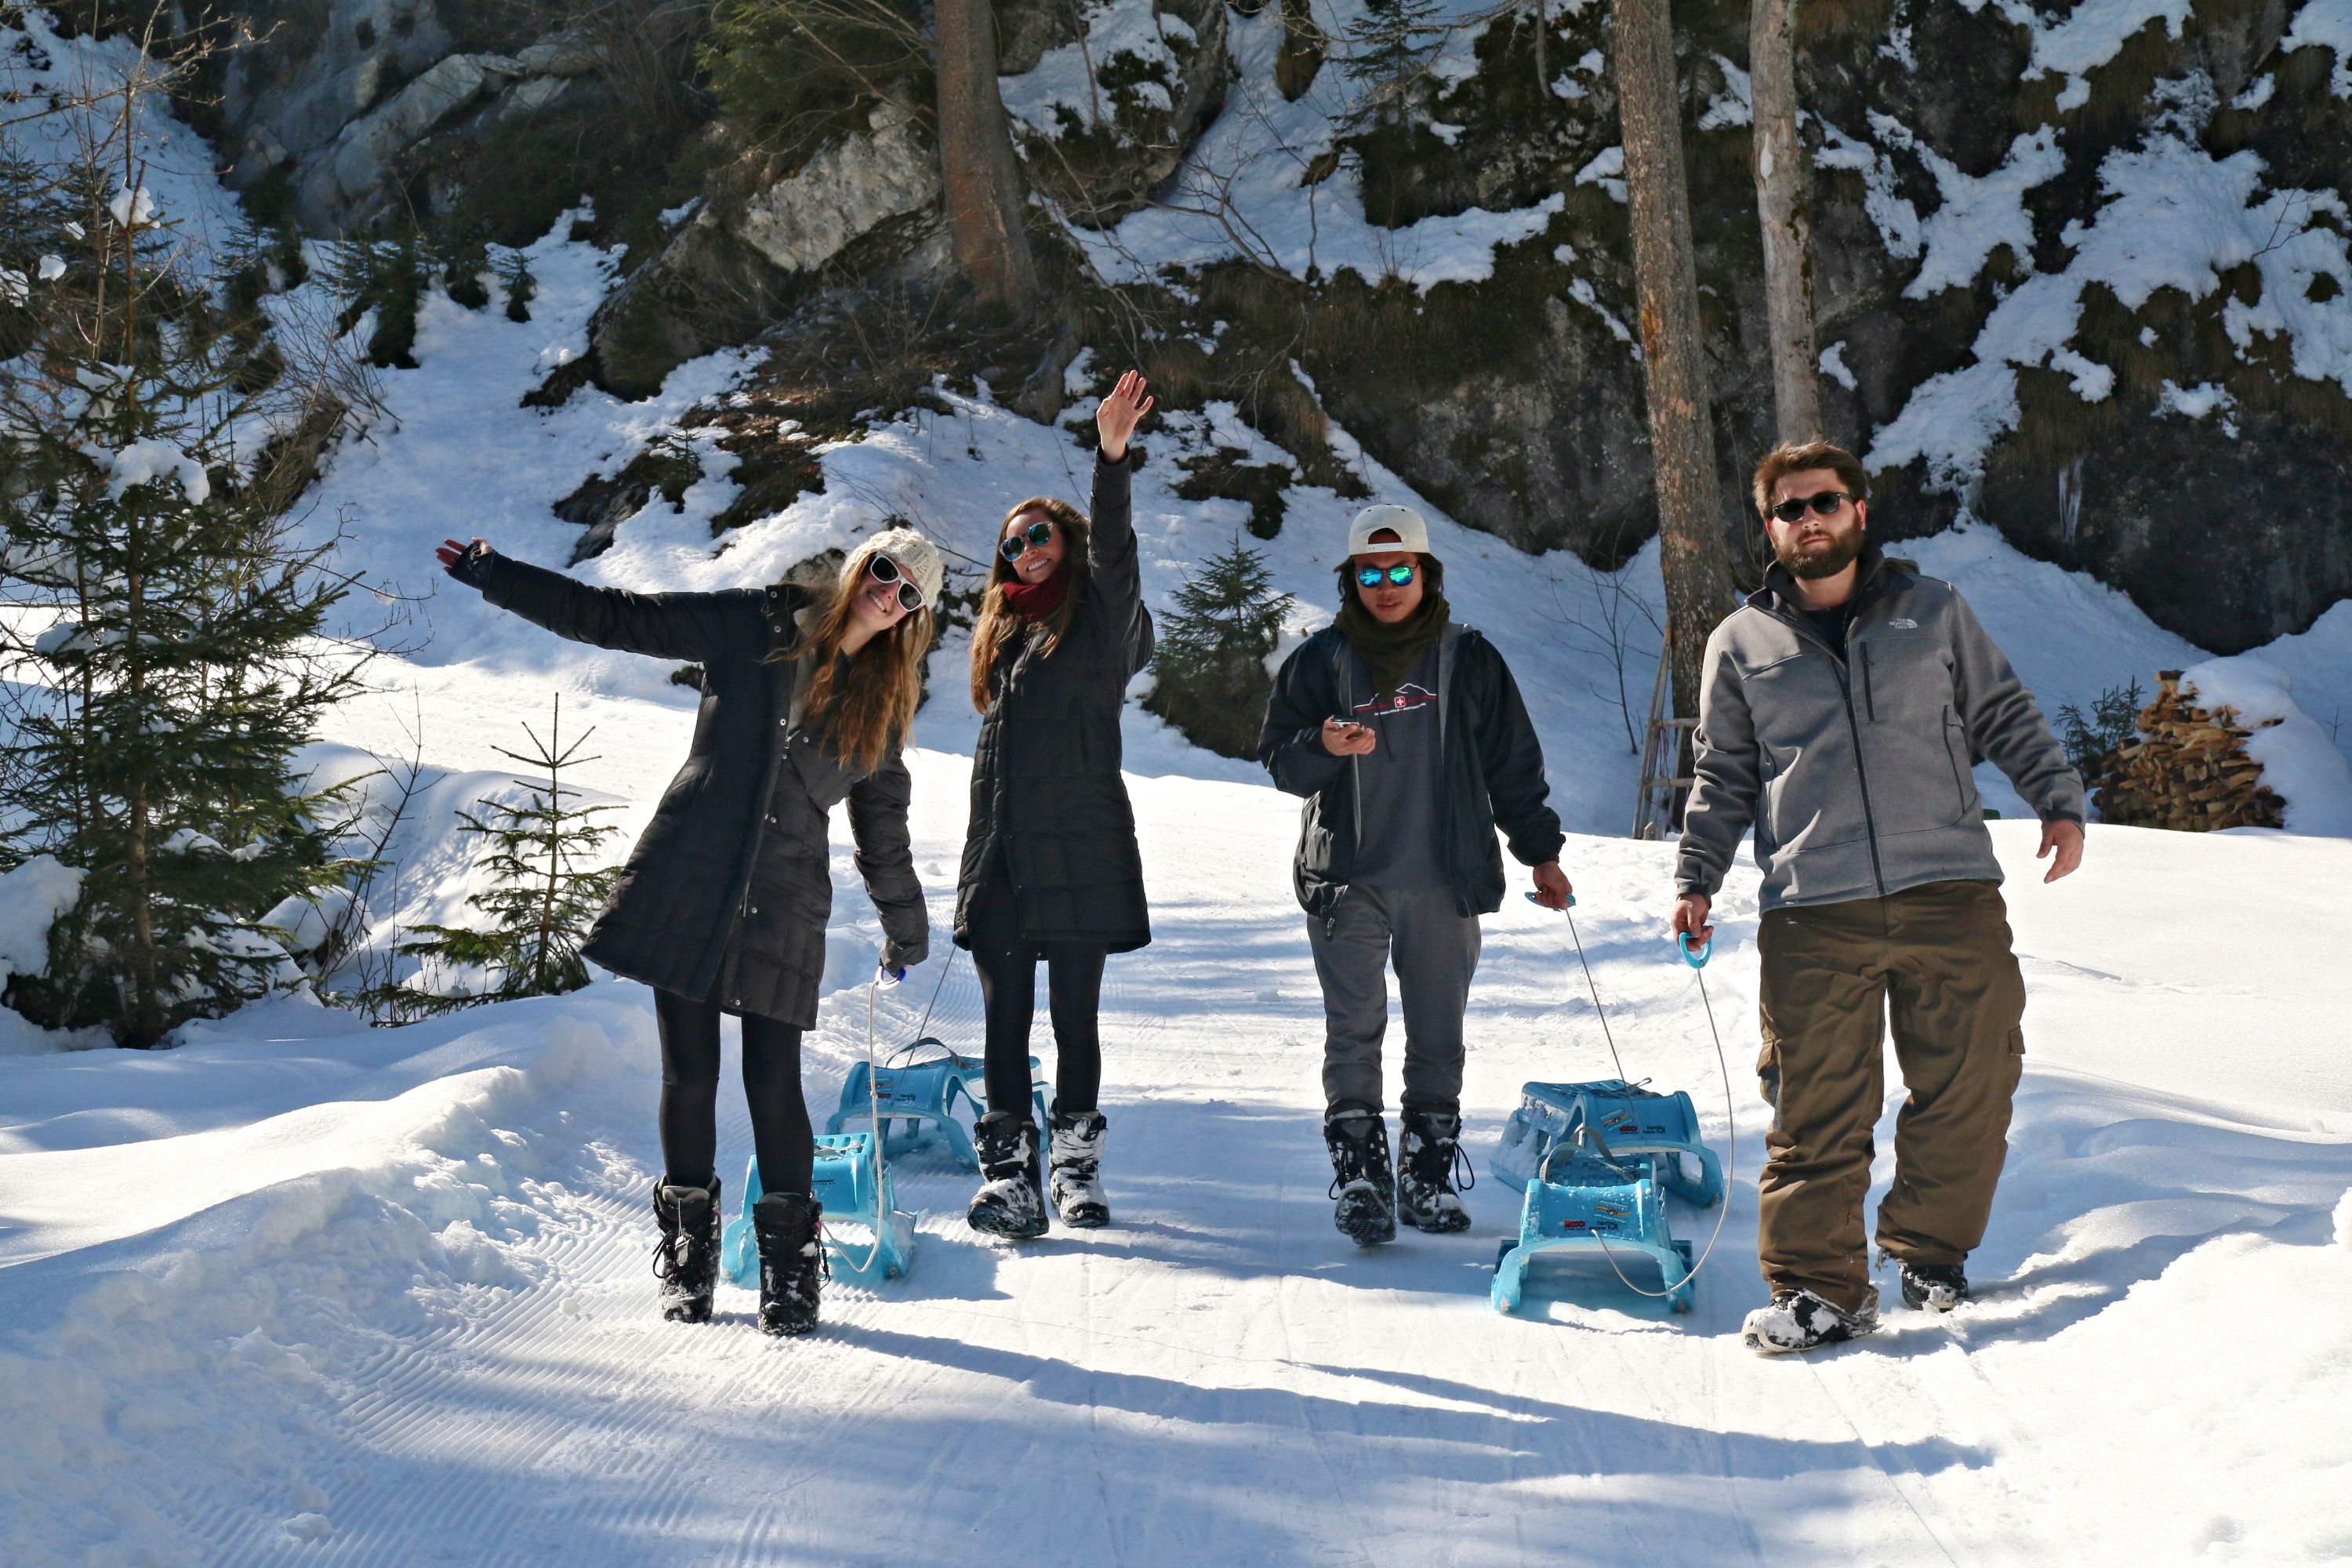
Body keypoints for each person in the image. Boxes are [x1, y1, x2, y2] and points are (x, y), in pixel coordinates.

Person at [434, 526, 940, 1338]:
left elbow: (884, 834)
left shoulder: (878, 706)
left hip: (785, 896)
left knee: (774, 1079)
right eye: (885, 572)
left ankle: (788, 1266)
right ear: (858, 567)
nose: (890, 594)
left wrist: (905, 927)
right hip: (695, 867)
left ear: (913, 616)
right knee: (690, 1070)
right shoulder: (759, 623)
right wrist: (498, 575)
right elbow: (620, 617)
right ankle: (689, 1250)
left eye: (910, 594)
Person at [1671, 440, 2087, 1355]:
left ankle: (1929, 1249)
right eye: (1789, 509)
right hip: (1814, 907)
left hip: (1951, 889)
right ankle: (1823, 1290)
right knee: (1815, 1105)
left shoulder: (1932, 612)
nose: (1807, 518)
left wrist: (2057, 799)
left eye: (1824, 501)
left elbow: (2003, 711)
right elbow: (1723, 772)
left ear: (1860, 510)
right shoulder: (1740, 643)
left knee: (1973, 1081)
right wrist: (1697, 874)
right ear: (1770, 527)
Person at [1261, 503, 1572, 1247]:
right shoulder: (1320, 660)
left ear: (1427, 574)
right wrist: (1324, 744)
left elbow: (1514, 767)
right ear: (1352, 579)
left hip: (1445, 879)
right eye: (1370, 572)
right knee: (1353, 1029)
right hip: (1347, 881)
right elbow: (1281, 760)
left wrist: (1542, 854)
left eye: (1401, 570)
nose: (1386, 584)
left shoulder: (1470, 658)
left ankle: (1427, 1176)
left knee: (1439, 1033)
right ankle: (1364, 1179)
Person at [955, 369, 1156, 1239]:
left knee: (1075, 1014)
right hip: (1003, 853)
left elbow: (1115, 552)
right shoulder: (1007, 639)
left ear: (1065, 542)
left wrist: (1110, 459)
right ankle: (1010, 1177)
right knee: (1004, 1017)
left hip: (1079, 844)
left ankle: (1074, 1168)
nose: (1024, 549)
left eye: (1037, 535)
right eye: (1010, 544)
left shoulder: (1099, 625)